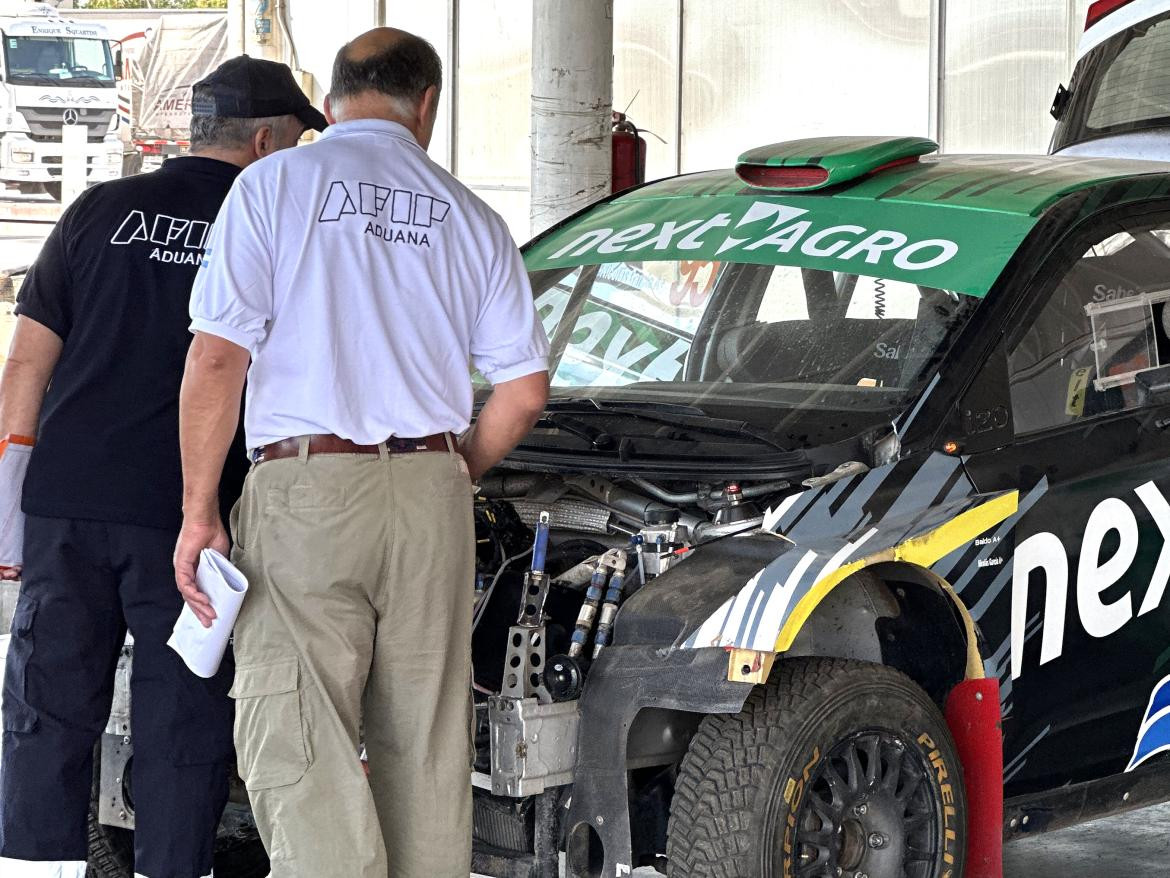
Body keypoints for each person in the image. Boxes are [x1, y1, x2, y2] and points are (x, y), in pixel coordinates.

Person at [173, 27, 550, 878]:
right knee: (424, 744)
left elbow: (216, 358)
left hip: (307, 489)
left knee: (298, 734)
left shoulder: (273, 185)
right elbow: (523, 393)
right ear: (427, 106)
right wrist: (450, 470)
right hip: (431, 494)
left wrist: (200, 511)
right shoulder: (473, 216)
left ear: (335, 96)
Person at [0, 56, 324, 878]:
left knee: (47, 704)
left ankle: (34, 869)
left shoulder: (98, 209)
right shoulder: (276, 221)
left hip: (67, 501)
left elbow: (27, 367)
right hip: (193, 511)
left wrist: (14, 501)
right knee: (183, 713)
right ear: (264, 141)